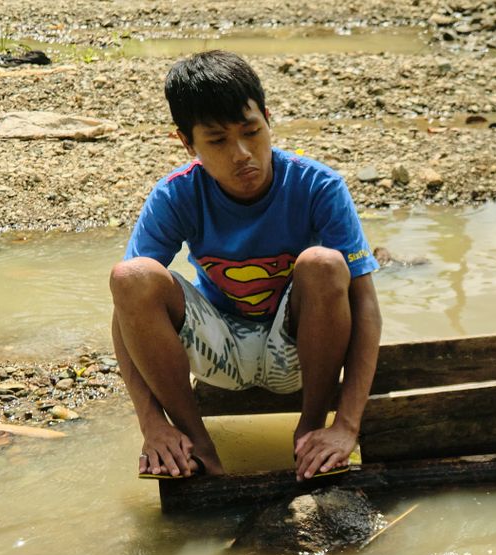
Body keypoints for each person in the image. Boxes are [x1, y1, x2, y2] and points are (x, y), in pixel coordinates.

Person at [110, 50, 381, 480]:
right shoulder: (176, 195)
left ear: (268, 120)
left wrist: (344, 425)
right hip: (220, 351)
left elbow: (364, 303)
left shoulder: (318, 185)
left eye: (251, 132)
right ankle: (198, 445)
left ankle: (309, 432)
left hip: (294, 351)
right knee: (130, 276)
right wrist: (152, 423)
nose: (242, 154)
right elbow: (126, 311)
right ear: (187, 143)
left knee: (325, 264)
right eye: (217, 141)